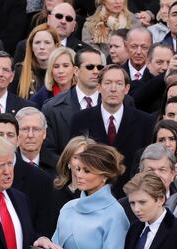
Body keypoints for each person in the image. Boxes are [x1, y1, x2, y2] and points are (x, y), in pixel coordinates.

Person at [69, 64, 154, 194]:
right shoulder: (80, 119)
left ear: (126, 89)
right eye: (108, 83)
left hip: (131, 197)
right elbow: (74, 159)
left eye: (119, 84)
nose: (113, 89)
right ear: (98, 87)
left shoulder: (145, 121)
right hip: (91, 195)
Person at [42, 47, 106, 153]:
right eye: (90, 67)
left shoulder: (117, 103)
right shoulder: (51, 108)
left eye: (99, 67)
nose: (96, 71)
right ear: (76, 71)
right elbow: (48, 151)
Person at [14, 3, 86, 63]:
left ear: (74, 26)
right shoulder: (25, 47)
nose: (63, 21)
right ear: (49, 19)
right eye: (59, 16)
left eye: (69, 19)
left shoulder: (84, 51)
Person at [14, 23, 60, 100]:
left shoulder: (62, 71)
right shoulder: (20, 71)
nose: (42, 47)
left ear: (56, 46)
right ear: (31, 46)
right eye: (37, 42)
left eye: (47, 42)